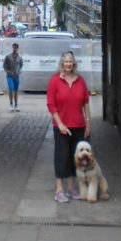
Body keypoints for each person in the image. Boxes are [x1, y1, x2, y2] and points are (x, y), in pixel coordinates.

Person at [46, 50, 90, 202]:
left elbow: (86, 102)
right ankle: (59, 190)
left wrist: (88, 123)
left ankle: (71, 187)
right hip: (61, 127)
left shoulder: (80, 80)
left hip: (78, 125)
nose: (68, 64)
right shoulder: (55, 81)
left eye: (70, 61)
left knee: (75, 158)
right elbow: (51, 104)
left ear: (74, 63)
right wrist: (60, 124)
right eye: (66, 61)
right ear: (62, 64)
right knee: (61, 157)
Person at [2, 41, 23, 111]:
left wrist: (19, 71)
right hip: (9, 76)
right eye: (13, 47)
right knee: (11, 89)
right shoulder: (8, 56)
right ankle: (11, 104)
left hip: (16, 76)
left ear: (17, 48)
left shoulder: (20, 57)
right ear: (12, 48)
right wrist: (7, 71)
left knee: (16, 91)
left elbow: (21, 65)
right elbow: (4, 65)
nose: (14, 49)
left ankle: (16, 105)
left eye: (15, 47)